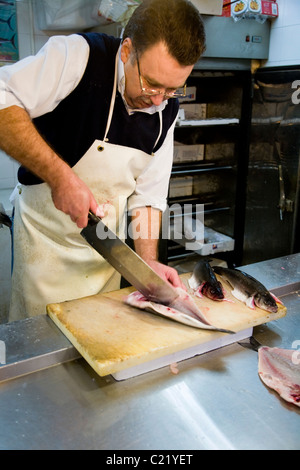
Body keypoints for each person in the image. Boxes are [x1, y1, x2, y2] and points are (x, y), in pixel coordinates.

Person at [0, 0, 206, 321]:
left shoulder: (165, 109)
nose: (157, 100)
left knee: (98, 339)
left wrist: (148, 263)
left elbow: (148, 197)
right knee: (41, 345)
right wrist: (60, 177)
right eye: (151, 83)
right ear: (126, 51)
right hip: (44, 249)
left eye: (172, 90)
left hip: (104, 258)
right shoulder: (78, 56)